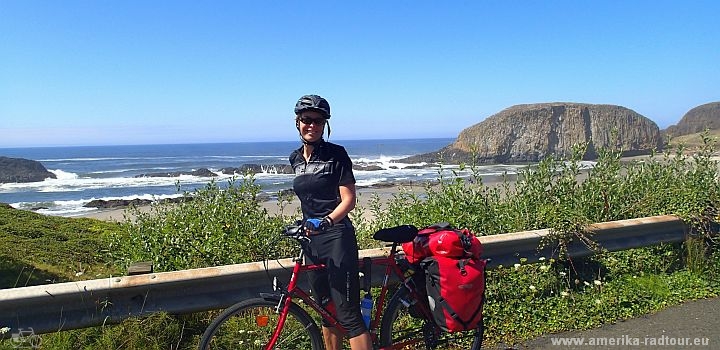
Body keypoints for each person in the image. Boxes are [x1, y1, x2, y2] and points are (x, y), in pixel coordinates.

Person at [288, 94, 372, 350]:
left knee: (348, 315)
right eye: (306, 120)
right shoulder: (294, 158)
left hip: (337, 238)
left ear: (325, 125)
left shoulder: (336, 155)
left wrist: (326, 221)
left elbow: (349, 200)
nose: (311, 125)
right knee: (326, 311)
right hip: (311, 242)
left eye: (318, 121)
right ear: (297, 123)